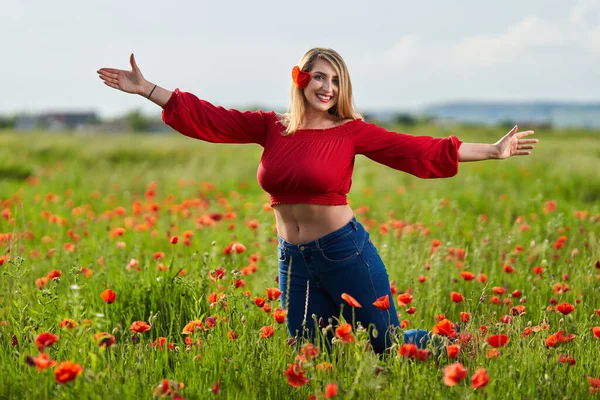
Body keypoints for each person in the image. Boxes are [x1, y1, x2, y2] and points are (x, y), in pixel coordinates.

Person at [97, 48, 537, 354]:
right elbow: (210, 118)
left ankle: (462, 344)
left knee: (389, 344)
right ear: (301, 79)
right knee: (309, 354)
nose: (326, 87)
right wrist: (147, 88)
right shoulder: (271, 126)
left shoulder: (351, 131)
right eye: (319, 77)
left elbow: (418, 149)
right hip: (294, 258)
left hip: (344, 252)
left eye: (335, 80)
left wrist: (494, 151)